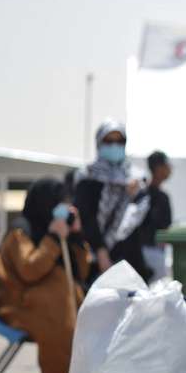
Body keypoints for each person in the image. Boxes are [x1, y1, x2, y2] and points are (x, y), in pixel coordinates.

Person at [0, 178, 91, 373]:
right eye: (58, 204)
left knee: (80, 315)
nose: (61, 210)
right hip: (19, 306)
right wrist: (54, 238)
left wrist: (75, 236)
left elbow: (81, 271)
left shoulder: (57, 231)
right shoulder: (21, 230)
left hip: (50, 302)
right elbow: (29, 269)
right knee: (59, 325)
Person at [73, 119, 153, 282]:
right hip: (94, 258)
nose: (115, 146)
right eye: (109, 141)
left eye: (120, 141)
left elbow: (143, 219)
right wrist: (101, 252)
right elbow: (87, 217)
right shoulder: (87, 176)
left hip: (130, 258)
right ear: (99, 143)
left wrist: (132, 197)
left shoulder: (136, 178)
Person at [141, 150, 173, 281]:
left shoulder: (154, 194)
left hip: (154, 252)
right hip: (150, 252)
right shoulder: (146, 194)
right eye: (167, 166)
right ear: (158, 168)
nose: (170, 169)